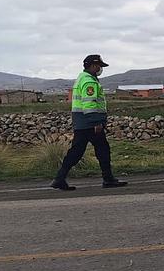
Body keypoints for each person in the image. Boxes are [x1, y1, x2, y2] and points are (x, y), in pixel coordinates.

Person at [51, 55, 127, 191]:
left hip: (82, 122)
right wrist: (96, 122)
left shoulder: (82, 78)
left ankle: (60, 178)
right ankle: (108, 179)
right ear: (92, 66)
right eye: (99, 66)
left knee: (77, 151)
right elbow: (89, 104)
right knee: (102, 150)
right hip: (89, 123)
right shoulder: (89, 82)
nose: (100, 69)